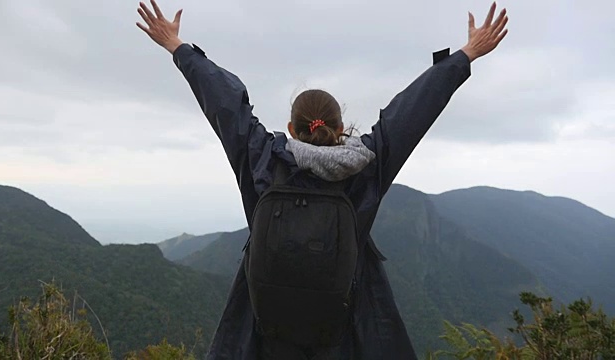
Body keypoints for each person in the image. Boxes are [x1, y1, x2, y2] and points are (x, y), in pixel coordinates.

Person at [136, 1, 508, 359]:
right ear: (341, 128)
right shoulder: (366, 165)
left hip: (265, 333)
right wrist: (465, 54)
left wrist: (177, 46)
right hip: (344, 332)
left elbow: (224, 102)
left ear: (290, 129)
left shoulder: (262, 158)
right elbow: (411, 111)